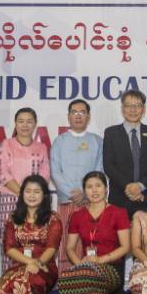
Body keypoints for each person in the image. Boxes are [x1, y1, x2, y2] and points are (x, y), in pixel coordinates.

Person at [59, 171, 131, 294]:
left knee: (87, 276)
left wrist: (100, 260)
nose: (94, 190)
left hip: (111, 267)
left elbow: (126, 247)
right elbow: (70, 248)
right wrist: (80, 266)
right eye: (89, 187)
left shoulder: (118, 213)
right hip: (86, 265)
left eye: (98, 186)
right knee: (67, 277)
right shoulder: (77, 216)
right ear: (84, 191)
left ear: (106, 189)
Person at [0, 175, 63, 294]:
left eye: (36, 192)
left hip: (44, 266)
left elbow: (51, 248)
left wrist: (38, 263)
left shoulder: (53, 219)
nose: (32, 195)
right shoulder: (13, 218)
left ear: (44, 195)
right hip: (20, 266)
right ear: (22, 193)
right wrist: (30, 262)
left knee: (34, 280)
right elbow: (9, 248)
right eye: (28, 191)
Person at [48, 99, 103, 270]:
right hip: (67, 202)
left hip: (90, 203)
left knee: (90, 243)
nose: (78, 116)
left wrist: (86, 193)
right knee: (67, 243)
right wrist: (73, 193)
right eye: (74, 112)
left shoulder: (97, 141)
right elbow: (55, 172)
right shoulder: (59, 141)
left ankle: (90, 281)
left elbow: (99, 171)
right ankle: (67, 281)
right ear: (68, 116)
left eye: (82, 112)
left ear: (88, 117)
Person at [102, 90, 147, 217]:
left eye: (137, 105)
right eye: (128, 105)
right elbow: (109, 165)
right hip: (119, 197)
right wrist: (129, 188)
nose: (133, 110)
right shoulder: (111, 133)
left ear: (144, 109)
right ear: (122, 109)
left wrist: (140, 186)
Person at [0, 107, 51, 229]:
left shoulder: (41, 147)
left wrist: (32, 194)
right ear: (15, 124)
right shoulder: (7, 144)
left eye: (29, 121)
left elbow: (45, 175)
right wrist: (23, 193)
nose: (25, 125)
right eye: (21, 121)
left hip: (34, 200)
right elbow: (2, 172)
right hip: (10, 196)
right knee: (9, 233)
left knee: (33, 233)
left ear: (35, 124)